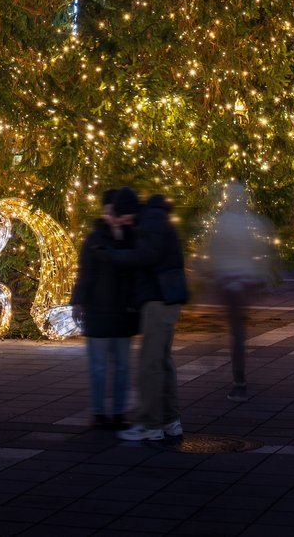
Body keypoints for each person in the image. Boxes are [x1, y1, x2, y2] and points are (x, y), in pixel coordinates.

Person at [71, 187, 146, 430]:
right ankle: (99, 411)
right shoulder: (95, 239)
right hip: (99, 309)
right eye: (110, 210)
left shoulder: (131, 237)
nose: (113, 215)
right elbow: (85, 274)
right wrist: (79, 301)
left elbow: (135, 272)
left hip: (123, 311)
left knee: (123, 365)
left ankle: (119, 412)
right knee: (100, 366)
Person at [124, 193, 190, 444]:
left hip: (158, 300)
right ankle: (170, 421)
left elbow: (145, 257)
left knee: (149, 364)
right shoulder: (157, 218)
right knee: (162, 362)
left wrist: (114, 254)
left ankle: (151, 425)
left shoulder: (150, 221)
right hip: (166, 299)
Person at [203, 181, 278, 400]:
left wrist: (211, 271)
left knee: (231, 329)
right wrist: (261, 276)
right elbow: (262, 250)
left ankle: (235, 377)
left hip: (226, 280)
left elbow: (213, 249)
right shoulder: (252, 222)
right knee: (238, 332)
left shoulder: (222, 222)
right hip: (244, 281)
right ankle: (239, 378)